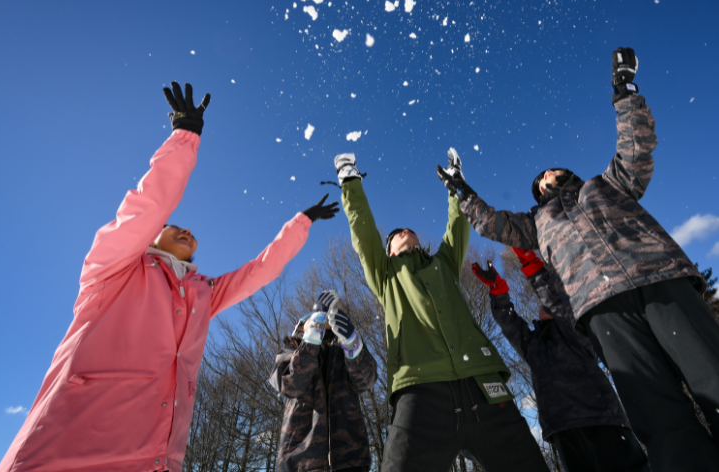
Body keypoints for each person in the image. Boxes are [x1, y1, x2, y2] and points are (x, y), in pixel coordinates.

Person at [440, 48, 719, 472]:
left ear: (567, 174)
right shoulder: (536, 222)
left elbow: (636, 147)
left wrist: (624, 92)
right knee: (657, 416)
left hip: (659, 279)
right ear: (537, 195)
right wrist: (461, 191)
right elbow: (491, 223)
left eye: (551, 171)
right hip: (599, 309)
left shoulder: (606, 185)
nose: (546, 177)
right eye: (540, 180)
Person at [0, 82, 339, 472]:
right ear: (153, 236)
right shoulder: (114, 267)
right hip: (66, 450)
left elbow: (259, 271)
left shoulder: (202, 294)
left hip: (157, 459)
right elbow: (147, 208)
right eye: (173, 226)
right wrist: (185, 136)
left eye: (191, 233)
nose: (186, 230)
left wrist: (302, 221)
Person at [333, 151, 549, 472]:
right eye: (395, 234)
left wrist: (453, 188)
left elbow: (457, 225)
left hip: (484, 385)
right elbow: (363, 234)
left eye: (408, 228)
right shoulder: (387, 275)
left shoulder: (443, 264)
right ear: (389, 250)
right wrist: (351, 182)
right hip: (420, 393)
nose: (403, 230)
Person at [471, 256, 648, 472]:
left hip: (599, 418)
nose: (542, 305)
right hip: (561, 428)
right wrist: (498, 291)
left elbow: (554, 298)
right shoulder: (534, 343)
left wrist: (531, 264)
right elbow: (510, 324)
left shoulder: (574, 330)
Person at [270, 290, 378, 472]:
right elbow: (289, 383)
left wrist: (353, 344)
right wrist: (313, 335)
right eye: (316, 321)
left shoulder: (343, 349)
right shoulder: (291, 349)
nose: (323, 324)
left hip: (350, 460)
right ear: (302, 326)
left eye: (326, 322)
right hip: (300, 462)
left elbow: (366, 380)